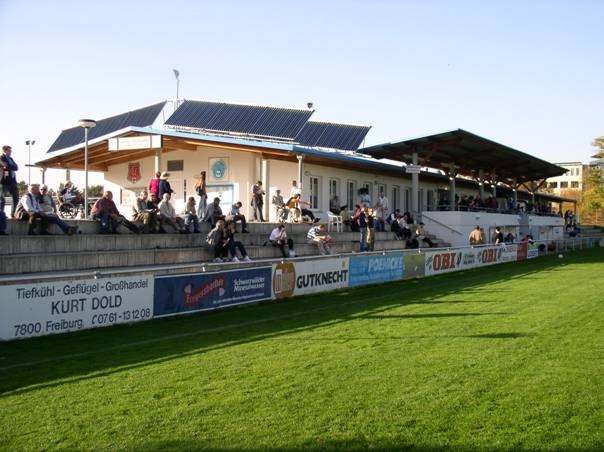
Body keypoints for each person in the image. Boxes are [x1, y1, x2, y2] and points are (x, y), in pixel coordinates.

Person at [1, 145, 19, 218]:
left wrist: (9, 166)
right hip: (4, 181)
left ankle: (13, 213)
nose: (10, 152)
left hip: (12, 181)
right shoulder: (1, 158)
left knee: (15, 197)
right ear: (5, 151)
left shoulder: (11, 158)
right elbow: (5, 166)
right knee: (2, 199)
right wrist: (9, 166)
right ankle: (1, 214)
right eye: (9, 150)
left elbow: (16, 167)